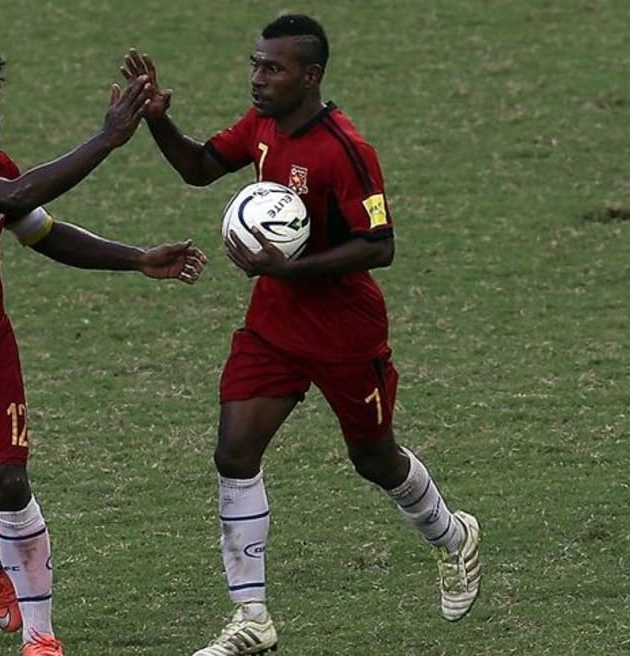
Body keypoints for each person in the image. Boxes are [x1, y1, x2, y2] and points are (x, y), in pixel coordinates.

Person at [122, 14, 481, 655]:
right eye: (256, 64)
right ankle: (252, 619)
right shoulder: (261, 125)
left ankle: (453, 537)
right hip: (274, 324)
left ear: (309, 76)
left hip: (346, 331)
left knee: (374, 460)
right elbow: (200, 167)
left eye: (273, 68)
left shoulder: (345, 151)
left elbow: (382, 245)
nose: (258, 78)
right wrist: (154, 117)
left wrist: (291, 267)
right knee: (234, 452)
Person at [0, 28, 208, 656]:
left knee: (6, 478)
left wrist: (137, 259)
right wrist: (109, 136)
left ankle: (40, 636)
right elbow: (20, 195)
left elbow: (41, 229)